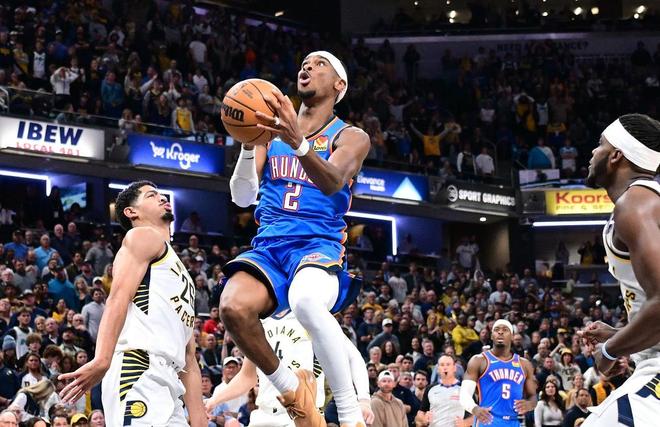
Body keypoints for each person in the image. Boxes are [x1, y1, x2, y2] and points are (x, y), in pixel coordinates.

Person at [219, 51, 370, 426]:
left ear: (339, 85)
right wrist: (247, 142)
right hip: (270, 246)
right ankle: (291, 390)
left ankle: (349, 413)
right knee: (232, 308)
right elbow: (241, 197)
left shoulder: (351, 136)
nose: (307, 67)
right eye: (304, 63)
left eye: (320, 64)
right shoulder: (269, 134)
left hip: (318, 245)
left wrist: (299, 142)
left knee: (305, 301)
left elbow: (332, 182)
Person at [58, 181, 206, 426]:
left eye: (161, 194)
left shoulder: (180, 270)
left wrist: (199, 419)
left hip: (170, 380)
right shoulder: (142, 236)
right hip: (138, 367)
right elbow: (118, 296)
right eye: (151, 195)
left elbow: (189, 355)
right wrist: (102, 359)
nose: (162, 198)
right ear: (131, 212)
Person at [579, 114, 660, 426]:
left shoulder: (635, 205)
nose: (593, 152)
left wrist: (610, 351)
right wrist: (620, 335)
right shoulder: (645, 201)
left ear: (615, 156)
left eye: (600, 144)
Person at [205, 313, 373, 426]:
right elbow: (247, 377)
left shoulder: (312, 314)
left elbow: (353, 357)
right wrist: (214, 400)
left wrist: (364, 399)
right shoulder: (261, 322)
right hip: (263, 415)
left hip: (301, 416)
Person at [460, 319, 537, 426]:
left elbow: (533, 396)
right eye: (496, 330)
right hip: (487, 419)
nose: (500, 332)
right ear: (492, 336)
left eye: (505, 330)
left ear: (512, 336)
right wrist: (474, 408)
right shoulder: (479, 360)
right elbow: (464, 394)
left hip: (513, 421)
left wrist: (529, 404)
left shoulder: (524, 364)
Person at [415, 355, 472, 427]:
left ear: (454, 368)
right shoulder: (430, 389)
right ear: (438, 369)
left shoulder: (465, 389)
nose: (445, 367)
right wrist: (423, 419)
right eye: (442, 365)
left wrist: (465, 423)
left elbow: (475, 415)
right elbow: (420, 414)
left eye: (448, 364)